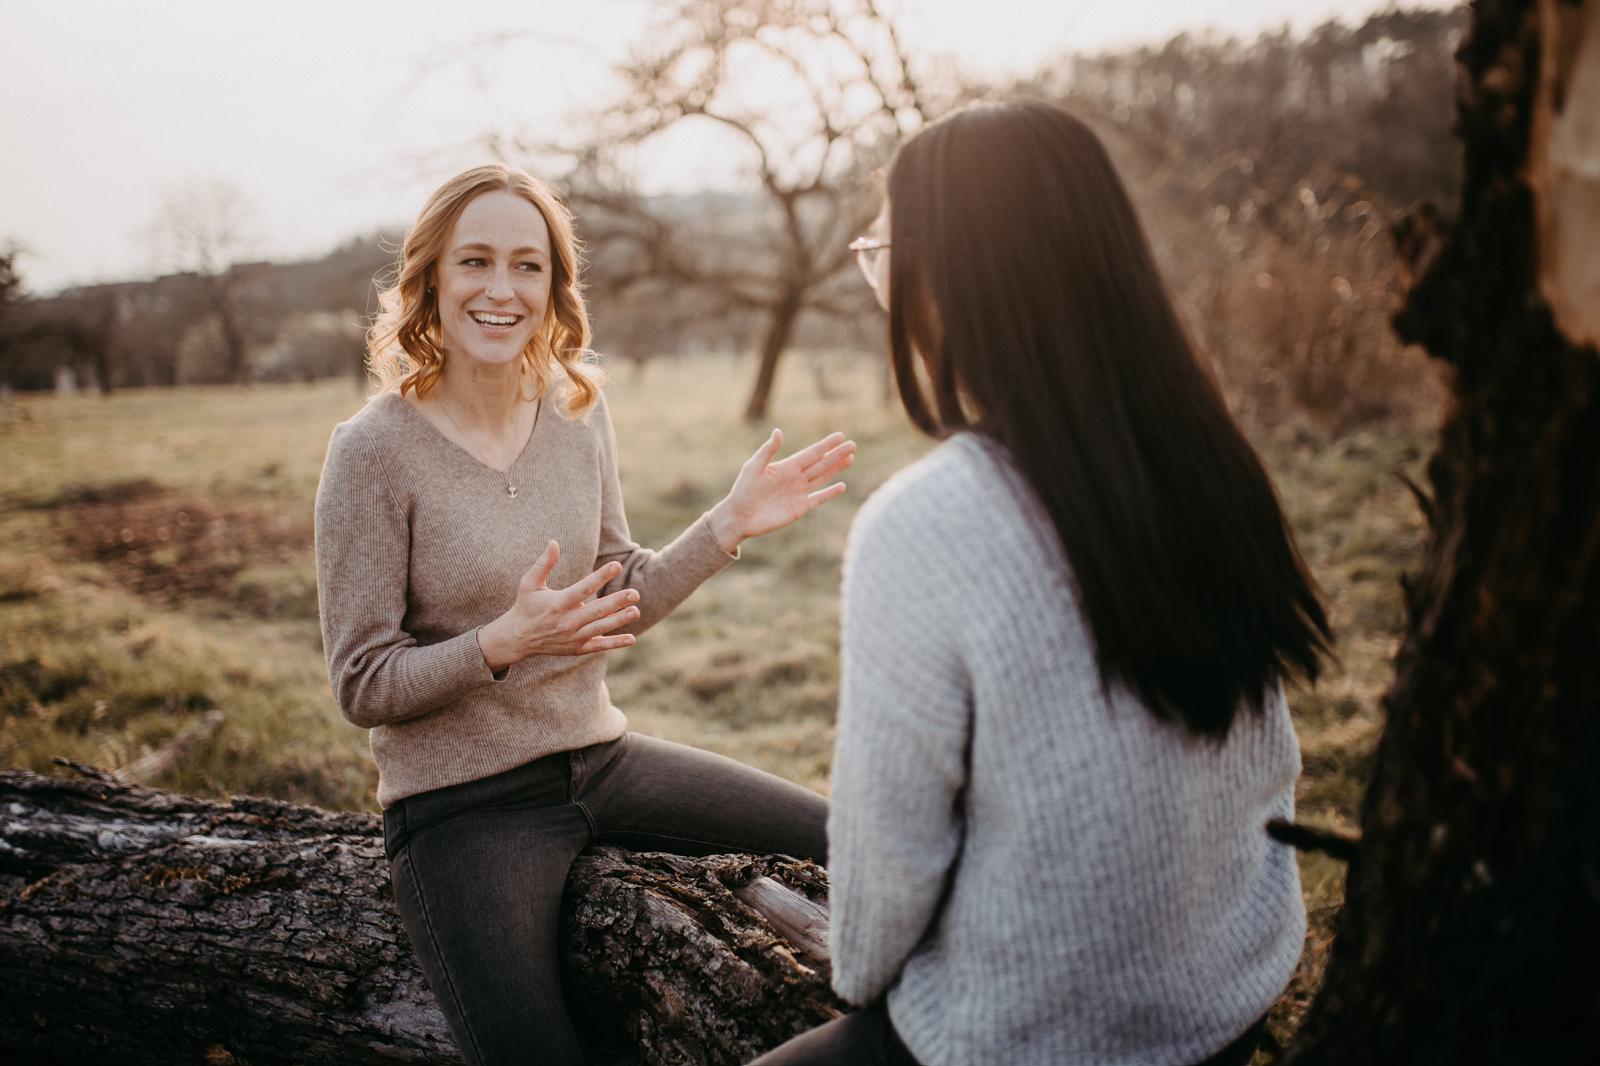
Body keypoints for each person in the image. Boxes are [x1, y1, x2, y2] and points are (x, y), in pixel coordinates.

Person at [752, 99, 1331, 1065]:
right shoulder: (1207, 460)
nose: (878, 282)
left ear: (951, 277)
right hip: (1232, 998)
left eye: (880, 254)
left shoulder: (928, 522)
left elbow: (882, 891)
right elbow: (1269, 760)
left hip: (1041, 1035)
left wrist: (859, 974)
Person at [313, 163, 854, 1066]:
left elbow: (616, 591)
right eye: (475, 260)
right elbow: (362, 683)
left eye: (528, 266)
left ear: (555, 288)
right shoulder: (372, 452)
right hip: (462, 810)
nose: (501, 288)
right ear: (431, 279)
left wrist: (724, 528)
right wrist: (500, 644)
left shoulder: (576, 412)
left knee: (847, 841)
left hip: (602, 760)